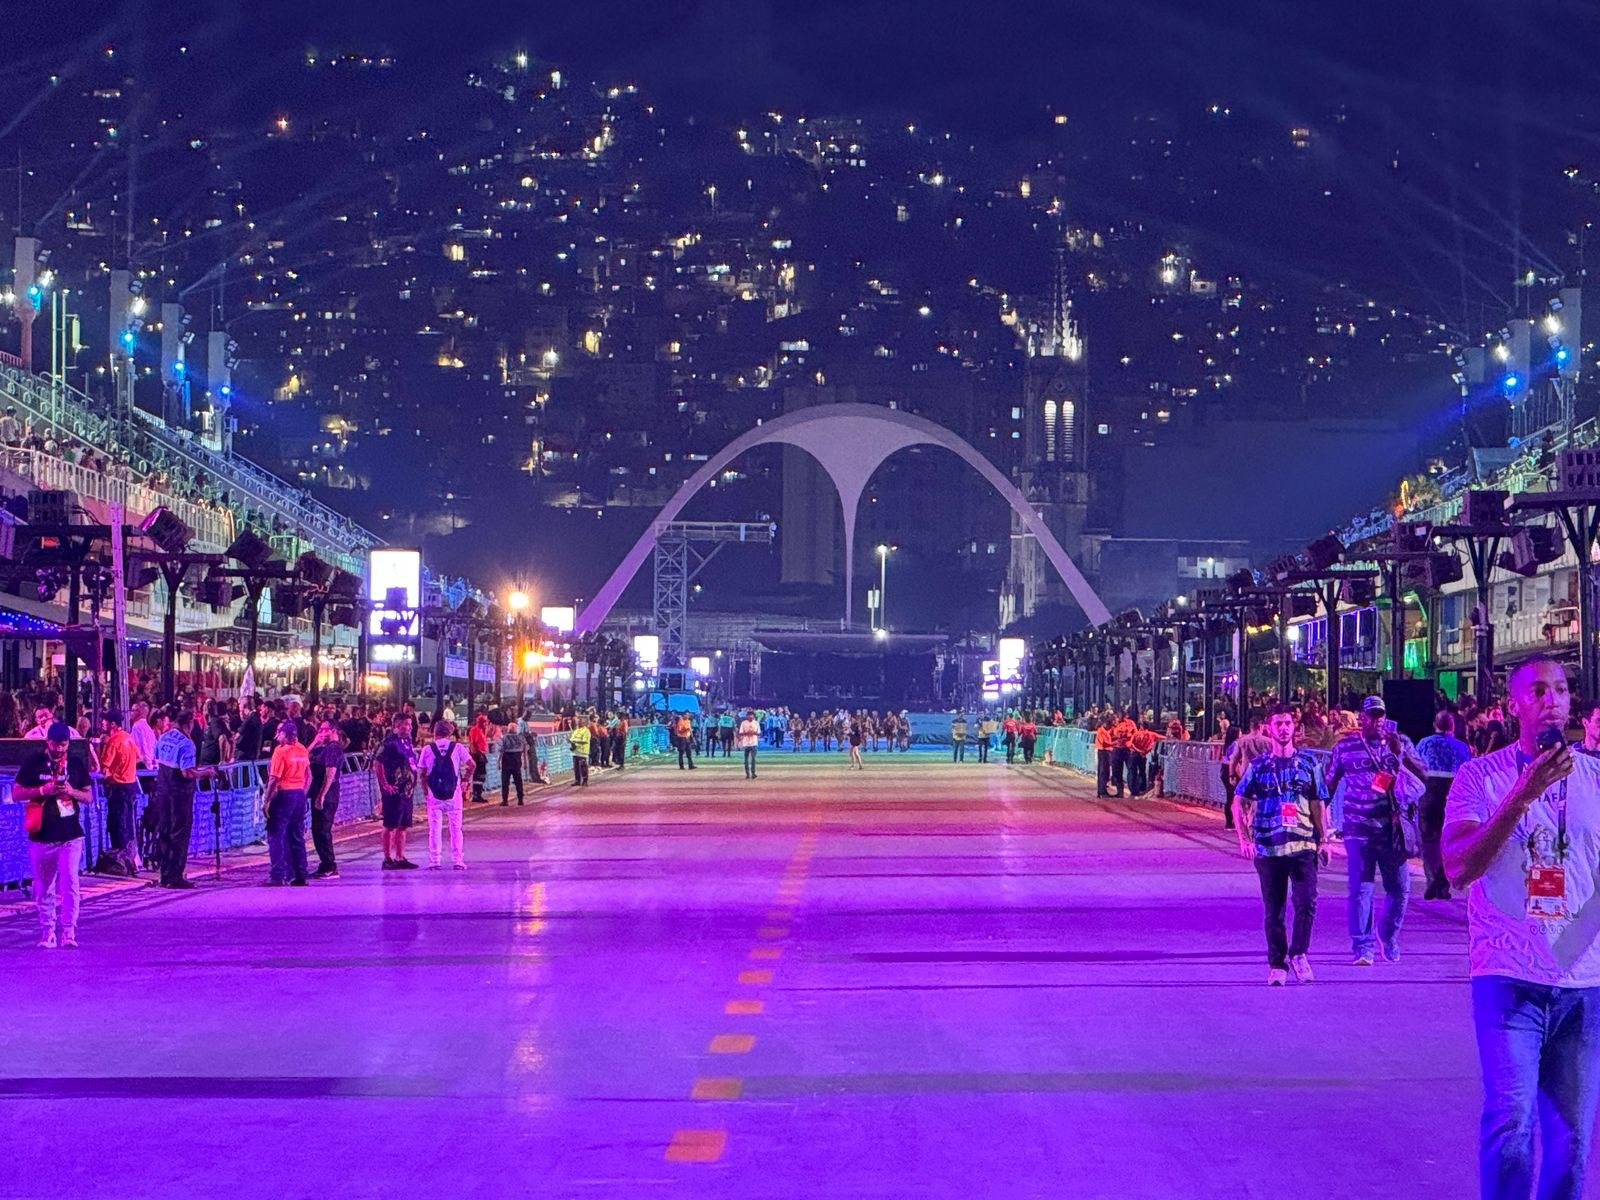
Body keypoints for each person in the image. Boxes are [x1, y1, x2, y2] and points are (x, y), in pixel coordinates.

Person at [1444, 656, 1600, 1200]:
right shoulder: (1479, 776)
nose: (1551, 699)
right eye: (1537, 690)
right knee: (1511, 1122)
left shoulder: (1598, 778)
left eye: (1560, 689)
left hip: (1584, 984)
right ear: (1514, 705)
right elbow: (1458, 867)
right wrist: (1522, 794)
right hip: (1508, 977)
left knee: (1574, 1139)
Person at [1326, 695, 1427, 965]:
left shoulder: (1400, 741)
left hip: (1393, 829)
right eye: (1372, 715)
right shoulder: (1345, 747)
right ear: (1361, 718)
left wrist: (1400, 754)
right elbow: (1329, 783)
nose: (1378, 720)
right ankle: (1363, 946)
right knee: (1361, 888)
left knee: (1401, 889)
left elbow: (1423, 773)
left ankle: (1388, 935)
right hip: (1358, 827)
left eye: (1381, 715)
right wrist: (1319, 823)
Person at [1233, 706, 1331, 986]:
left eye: (1288, 723)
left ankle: (1299, 953)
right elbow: (1238, 799)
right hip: (1269, 849)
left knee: (1307, 903)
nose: (1284, 729)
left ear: (1295, 727)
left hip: (1303, 846)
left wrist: (1323, 839)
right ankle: (1277, 964)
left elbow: (1318, 802)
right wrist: (1244, 837)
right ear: (1269, 728)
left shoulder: (1310, 764)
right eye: (1279, 724)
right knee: (1274, 909)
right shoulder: (1260, 766)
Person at [17, 723, 93, 948]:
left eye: (64, 745)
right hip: (41, 836)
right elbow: (17, 791)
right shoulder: (34, 763)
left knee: (70, 882)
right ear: (47, 743)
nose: (59, 749)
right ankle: (47, 931)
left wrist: (71, 791)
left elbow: (88, 796)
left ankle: (69, 931)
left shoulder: (76, 764)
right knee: (43, 886)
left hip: (71, 836)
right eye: (55, 744)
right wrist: (42, 790)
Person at [1415, 709, 1474, 900]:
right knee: (1449, 837)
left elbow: (1416, 765)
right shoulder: (1462, 747)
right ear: (1452, 726)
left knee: (1428, 839)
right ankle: (1443, 882)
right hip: (1452, 791)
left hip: (1429, 790)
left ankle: (1432, 877)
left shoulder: (1424, 743)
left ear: (1435, 724)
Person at [153, 708, 212, 889]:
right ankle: (175, 876)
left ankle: (164, 875)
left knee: (164, 832)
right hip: (180, 794)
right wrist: (206, 772)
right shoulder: (187, 744)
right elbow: (187, 772)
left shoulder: (163, 737)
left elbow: (156, 759)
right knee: (179, 834)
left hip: (162, 791)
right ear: (190, 723)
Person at [417, 720, 473, 869]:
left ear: (435, 732)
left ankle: (435, 860)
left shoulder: (427, 749)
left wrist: (425, 791)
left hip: (434, 794)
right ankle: (458, 860)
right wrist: (465, 780)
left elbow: (422, 772)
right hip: (453, 794)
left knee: (434, 828)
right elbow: (471, 765)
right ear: (449, 733)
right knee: (456, 828)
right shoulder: (457, 747)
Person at [263, 721, 311, 886]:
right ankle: (300, 873)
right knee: (296, 836)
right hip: (299, 794)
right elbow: (308, 776)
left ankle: (277, 875)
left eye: (279, 732)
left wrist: (266, 800)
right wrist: (302, 792)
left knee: (276, 835)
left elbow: (274, 778)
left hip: (284, 794)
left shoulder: (280, 751)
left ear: (284, 734)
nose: (277, 736)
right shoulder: (302, 749)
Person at [372, 713, 420, 870]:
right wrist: (385, 784)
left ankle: (400, 856)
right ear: (397, 726)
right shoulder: (389, 743)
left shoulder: (406, 742)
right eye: (407, 724)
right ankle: (387, 858)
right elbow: (378, 763)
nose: (409, 727)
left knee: (403, 824)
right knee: (390, 824)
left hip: (406, 791)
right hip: (394, 790)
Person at [98, 709, 141, 876]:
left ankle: (120, 863)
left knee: (117, 825)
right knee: (128, 825)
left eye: (105, 721)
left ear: (112, 724)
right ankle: (130, 861)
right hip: (130, 786)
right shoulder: (128, 738)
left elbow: (104, 769)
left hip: (118, 787)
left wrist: (114, 771)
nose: (102, 723)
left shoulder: (114, 741)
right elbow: (139, 757)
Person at [308, 720, 344, 879]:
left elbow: (330, 773)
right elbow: (303, 756)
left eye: (324, 729)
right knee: (317, 830)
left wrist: (322, 795)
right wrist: (314, 742)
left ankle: (329, 865)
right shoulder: (322, 748)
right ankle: (325, 864)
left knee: (323, 830)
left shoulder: (333, 749)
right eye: (320, 729)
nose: (321, 732)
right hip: (318, 792)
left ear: (333, 730)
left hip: (326, 795)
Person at [499, 717, 527, 805]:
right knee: (518, 780)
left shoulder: (505, 738)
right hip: (517, 760)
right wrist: (525, 762)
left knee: (505, 781)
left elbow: (501, 751)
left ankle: (505, 800)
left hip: (507, 760)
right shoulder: (520, 738)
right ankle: (520, 799)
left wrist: (498, 762)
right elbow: (525, 750)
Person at [467, 712, 490, 803]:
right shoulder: (475, 730)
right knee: (478, 774)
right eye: (484, 722)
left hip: (481, 754)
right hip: (477, 754)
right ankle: (476, 794)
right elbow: (473, 744)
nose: (485, 724)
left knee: (482, 774)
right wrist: (477, 755)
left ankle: (478, 793)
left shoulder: (481, 730)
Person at [737, 709, 760, 779]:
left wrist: (753, 733)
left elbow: (759, 733)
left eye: (752, 715)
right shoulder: (743, 723)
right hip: (746, 743)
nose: (750, 717)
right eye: (749, 715)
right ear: (747, 716)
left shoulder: (756, 723)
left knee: (753, 759)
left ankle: (753, 773)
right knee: (746, 759)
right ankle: (747, 774)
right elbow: (740, 733)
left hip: (754, 743)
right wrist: (747, 733)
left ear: (753, 716)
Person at [570, 719, 591, 786]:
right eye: (577, 723)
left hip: (582, 752)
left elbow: (585, 741)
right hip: (575, 751)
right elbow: (572, 739)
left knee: (583, 767)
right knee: (576, 767)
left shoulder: (586, 731)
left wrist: (576, 741)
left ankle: (585, 781)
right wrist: (572, 744)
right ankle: (577, 780)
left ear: (583, 723)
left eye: (579, 722)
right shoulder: (576, 731)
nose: (578, 724)